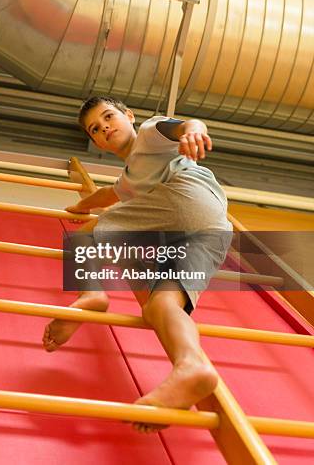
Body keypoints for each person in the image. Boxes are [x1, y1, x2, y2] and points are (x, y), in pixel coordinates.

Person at [43, 96, 233, 432]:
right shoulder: (130, 179)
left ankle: (91, 294)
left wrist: (195, 133)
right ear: (96, 141)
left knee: (80, 241)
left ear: (129, 116)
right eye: (96, 129)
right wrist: (82, 205)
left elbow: (185, 126)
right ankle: (191, 366)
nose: (105, 128)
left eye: (109, 117)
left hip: (186, 197)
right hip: (212, 230)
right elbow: (108, 193)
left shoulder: (150, 133)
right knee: (160, 304)